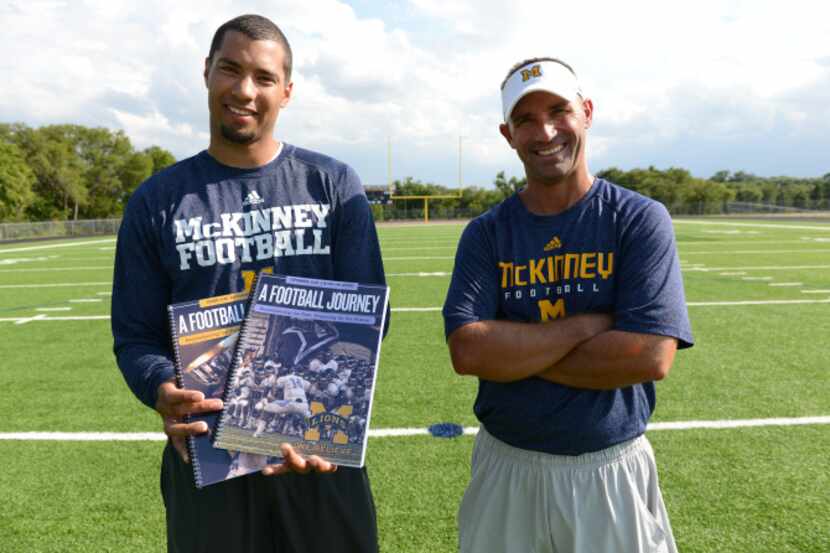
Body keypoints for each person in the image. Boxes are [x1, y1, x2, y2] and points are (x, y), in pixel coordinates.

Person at [111, 14, 386, 553]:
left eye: (262, 77)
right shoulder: (156, 201)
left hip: (317, 455)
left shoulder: (331, 184)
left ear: (286, 91)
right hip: (209, 455)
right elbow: (135, 336)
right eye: (229, 70)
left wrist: (329, 404)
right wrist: (164, 388)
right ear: (206, 73)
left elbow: (373, 318)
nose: (244, 90)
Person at [442, 57, 694, 553]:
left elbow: (650, 357)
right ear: (507, 134)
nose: (546, 130)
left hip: (609, 466)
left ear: (587, 112)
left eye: (559, 111)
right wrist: (588, 328)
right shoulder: (487, 233)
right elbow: (469, 353)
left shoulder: (638, 219)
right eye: (525, 120)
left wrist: (516, 356)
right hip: (505, 466)